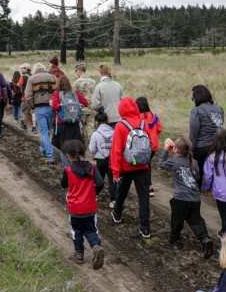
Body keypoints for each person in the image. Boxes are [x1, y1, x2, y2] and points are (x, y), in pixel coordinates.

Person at [109, 96, 159, 238]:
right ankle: (145, 228)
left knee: (121, 193)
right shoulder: (143, 123)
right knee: (144, 198)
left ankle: (117, 214)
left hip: (126, 167)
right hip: (142, 166)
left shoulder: (120, 126)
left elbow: (116, 151)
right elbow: (151, 145)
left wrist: (116, 172)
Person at [159, 136, 214, 259]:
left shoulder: (174, 161)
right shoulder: (194, 162)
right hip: (195, 198)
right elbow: (198, 178)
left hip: (181, 199)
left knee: (177, 220)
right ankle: (205, 239)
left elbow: (161, 164)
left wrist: (165, 150)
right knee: (195, 220)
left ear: (176, 150)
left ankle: (174, 239)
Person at [60, 140, 105, 269]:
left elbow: (63, 184)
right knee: (91, 229)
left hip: (75, 209)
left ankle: (79, 255)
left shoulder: (68, 170)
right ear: (84, 153)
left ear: (68, 156)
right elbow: (100, 183)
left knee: (77, 231)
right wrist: (94, 193)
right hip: (90, 207)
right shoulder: (92, 167)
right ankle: (96, 247)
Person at [189, 84, 224, 189]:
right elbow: (220, 128)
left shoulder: (197, 111)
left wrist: (191, 150)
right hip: (218, 146)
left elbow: (194, 134)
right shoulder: (219, 109)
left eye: (192, 98)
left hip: (202, 148)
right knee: (217, 175)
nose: (192, 100)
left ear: (197, 97)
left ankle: (195, 199)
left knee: (197, 175)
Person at [50, 75, 89, 161]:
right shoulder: (76, 94)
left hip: (62, 124)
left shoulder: (56, 94)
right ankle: (78, 165)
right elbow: (85, 103)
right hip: (75, 124)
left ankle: (66, 168)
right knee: (76, 146)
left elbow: (55, 107)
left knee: (64, 148)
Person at [26, 63, 57, 164]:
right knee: (47, 130)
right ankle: (43, 149)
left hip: (39, 108)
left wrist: (32, 106)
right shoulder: (53, 77)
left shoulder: (31, 79)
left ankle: (50, 155)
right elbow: (57, 91)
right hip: (52, 107)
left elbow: (28, 96)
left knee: (44, 132)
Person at [88, 108, 116, 208]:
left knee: (98, 180)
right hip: (112, 160)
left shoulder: (96, 134)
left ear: (96, 122)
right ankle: (113, 201)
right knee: (113, 181)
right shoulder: (114, 132)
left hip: (100, 160)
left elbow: (92, 149)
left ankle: (95, 195)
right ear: (107, 121)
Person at [135, 96, 162, 197]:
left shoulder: (137, 117)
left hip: (143, 146)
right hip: (153, 146)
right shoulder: (154, 116)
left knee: (144, 166)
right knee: (147, 164)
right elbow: (159, 129)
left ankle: (148, 187)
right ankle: (148, 186)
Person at [73, 63, 96, 142]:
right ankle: (92, 146)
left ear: (79, 71)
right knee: (91, 128)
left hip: (81, 110)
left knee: (81, 128)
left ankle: (82, 147)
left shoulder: (76, 83)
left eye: (76, 72)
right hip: (91, 109)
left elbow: (74, 97)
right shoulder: (93, 82)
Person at [17, 63, 35, 133]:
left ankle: (24, 126)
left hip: (25, 97)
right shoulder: (33, 76)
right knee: (33, 113)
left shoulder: (23, 77)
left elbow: (18, 85)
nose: (21, 69)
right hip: (33, 97)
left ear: (25, 69)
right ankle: (34, 128)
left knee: (25, 112)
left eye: (22, 68)